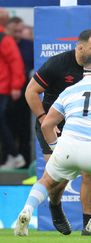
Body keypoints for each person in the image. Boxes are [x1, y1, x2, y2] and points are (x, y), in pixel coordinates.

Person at [14, 55, 91, 237]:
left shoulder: (69, 91)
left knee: (46, 179)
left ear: (84, 74)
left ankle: (27, 209)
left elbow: (46, 125)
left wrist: (56, 149)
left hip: (67, 147)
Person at [24, 29, 91, 236]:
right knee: (58, 176)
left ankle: (89, 225)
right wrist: (45, 119)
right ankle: (55, 205)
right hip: (53, 124)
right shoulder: (57, 64)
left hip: (84, 126)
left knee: (90, 172)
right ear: (80, 47)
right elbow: (30, 92)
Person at [0, 8, 26, 169]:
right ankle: (13, 155)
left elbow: (16, 63)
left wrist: (16, 86)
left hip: (2, 88)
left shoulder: (4, 38)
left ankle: (15, 156)